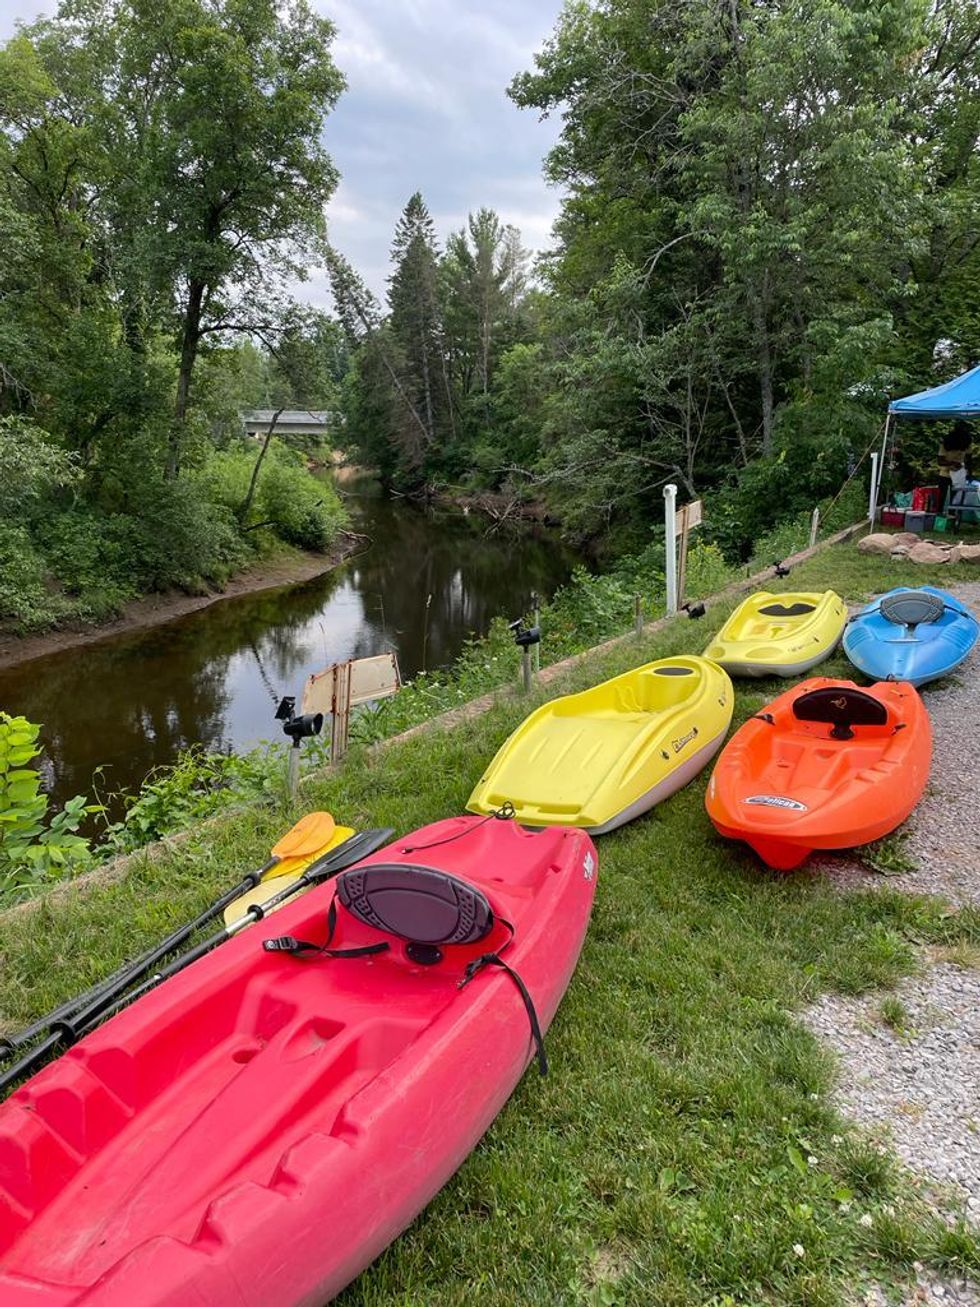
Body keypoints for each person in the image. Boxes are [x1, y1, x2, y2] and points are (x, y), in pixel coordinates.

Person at [938, 419, 973, 507]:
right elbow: (940, 461)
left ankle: (953, 516)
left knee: (956, 498)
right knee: (942, 497)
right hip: (945, 473)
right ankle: (940, 516)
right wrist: (953, 463)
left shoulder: (967, 443)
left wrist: (969, 473)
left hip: (959, 474)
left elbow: (969, 459)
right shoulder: (946, 443)